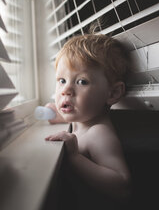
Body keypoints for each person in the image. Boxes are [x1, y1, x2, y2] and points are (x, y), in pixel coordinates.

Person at [45, 34, 131, 209]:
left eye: (82, 81)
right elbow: (80, 122)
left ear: (113, 93)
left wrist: (75, 157)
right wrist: (61, 116)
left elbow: (122, 187)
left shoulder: (99, 133)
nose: (66, 90)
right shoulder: (84, 121)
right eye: (62, 80)